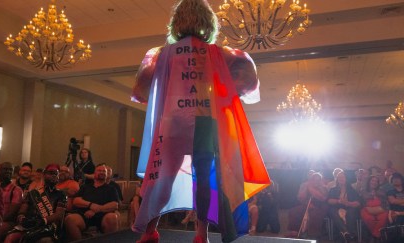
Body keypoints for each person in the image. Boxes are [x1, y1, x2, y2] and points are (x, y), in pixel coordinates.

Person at [130, 0, 270, 242]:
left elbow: (141, 90)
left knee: (163, 176)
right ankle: (200, 235)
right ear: (209, 22)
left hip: (172, 122)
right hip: (205, 120)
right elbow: (248, 81)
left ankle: (149, 230)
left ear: (176, 22)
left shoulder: (162, 55)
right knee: (204, 179)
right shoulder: (219, 54)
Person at [4, 164, 67, 243]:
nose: (53, 176)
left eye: (56, 174)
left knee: (44, 241)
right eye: (50, 173)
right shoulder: (33, 193)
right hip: (30, 224)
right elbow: (23, 209)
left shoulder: (61, 194)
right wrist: (22, 218)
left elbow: (59, 215)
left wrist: (42, 221)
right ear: (44, 175)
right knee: (11, 237)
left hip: (48, 226)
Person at [64, 164, 120, 242]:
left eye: (104, 171)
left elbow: (114, 205)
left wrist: (96, 210)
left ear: (107, 174)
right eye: (99, 170)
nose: (102, 172)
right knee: (70, 219)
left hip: (103, 215)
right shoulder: (85, 187)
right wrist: (91, 205)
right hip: (84, 215)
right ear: (94, 173)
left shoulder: (111, 189)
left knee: (112, 217)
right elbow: (76, 201)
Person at [287, 172, 328, 239]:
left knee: (314, 214)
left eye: (318, 180)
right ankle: (295, 231)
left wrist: (311, 188)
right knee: (294, 211)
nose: (316, 181)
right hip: (307, 205)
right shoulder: (307, 186)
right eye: (314, 179)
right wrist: (306, 189)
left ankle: (312, 234)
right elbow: (301, 198)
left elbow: (322, 198)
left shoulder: (323, 187)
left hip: (320, 206)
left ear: (320, 180)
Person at [0, 162, 24, 243]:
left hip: (8, 221)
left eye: (10, 170)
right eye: (5, 169)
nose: (8, 172)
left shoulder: (16, 190)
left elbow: (11, 213)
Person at [327, 171, 361, 242]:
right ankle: (347, 233)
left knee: (351, 212)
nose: (341, 179)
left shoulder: (352, 190)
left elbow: (358, 203)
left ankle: (347, 234)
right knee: (331, 210)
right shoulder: (333, 189)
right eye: (339, 177)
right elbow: (329, 201)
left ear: (346, 179)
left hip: (349, 208)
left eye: (343, 177)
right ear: (337, 179)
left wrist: (348, 203)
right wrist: (338, 201)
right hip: (337, 208)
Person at [360, 175, 388, 240]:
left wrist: (376, 194)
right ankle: (377, 235)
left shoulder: (382, 191)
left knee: (384, 216)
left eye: (376, 181)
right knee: (369, 218)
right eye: (373, 180)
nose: (374, 182)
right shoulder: (363, 191)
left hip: (380, 208)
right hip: (367, 209)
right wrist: (371, 195)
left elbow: (385, 203)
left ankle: (374, 235)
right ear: (369, 181)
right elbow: (362, 202)